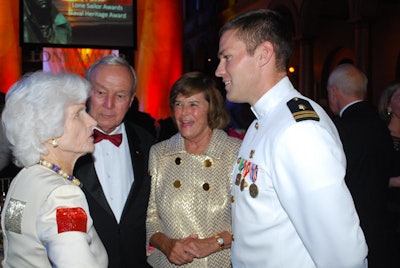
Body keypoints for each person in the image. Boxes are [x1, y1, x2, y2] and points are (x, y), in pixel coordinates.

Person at [215, 9, 368, 267]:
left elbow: (343, 256)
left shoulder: (298, 131)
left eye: (227, 57)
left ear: (263, 54)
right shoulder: (262, 123)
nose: (219, 70)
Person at [1, 71, 107, 267]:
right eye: (78, 114)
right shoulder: (63, 197)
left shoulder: (24, 179)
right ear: (49, 132)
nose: (92, 121)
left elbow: (18, 238)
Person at [146, 71, 242, 267]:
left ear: (211, 108)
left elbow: (253, 221)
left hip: (219, 262)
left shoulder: (235, 152)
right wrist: (167, 245)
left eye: (193, 104)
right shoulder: (159, 153)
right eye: (178, 104)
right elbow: (151, 216)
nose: (183, 113)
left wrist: (215, 243)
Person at [74, 55, 156, 268]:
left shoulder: (149, 144)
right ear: (87, 93)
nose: (109, 104)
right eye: (101, 92)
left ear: (130, 101)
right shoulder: (63, 145)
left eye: (120, 96)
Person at [327, 63, 396, 267]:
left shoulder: (338, 129)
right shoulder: (381, 126)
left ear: (334, 92)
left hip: (349, 228)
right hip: (382, 227)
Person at [378, 81, 400, 264]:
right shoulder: (382, 137)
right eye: (399, 97)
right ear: (388, 105)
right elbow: (372, 177)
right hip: (391, 211)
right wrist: (394, 181)